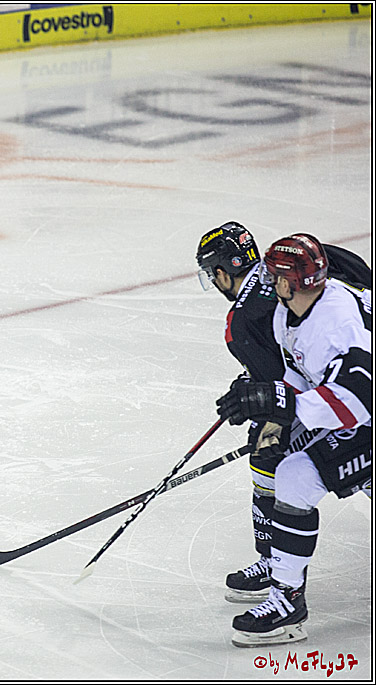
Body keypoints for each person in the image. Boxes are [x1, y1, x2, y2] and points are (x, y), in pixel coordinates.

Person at [216, 233, 372, 647]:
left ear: (286, 283)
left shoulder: (335, 324)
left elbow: (358, 399)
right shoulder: (293, 310)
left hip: (364, 411)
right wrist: (265, 397)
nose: (265, 282)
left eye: (272, 276)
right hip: (355, 411)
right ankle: (285, 593)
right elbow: (301, 377)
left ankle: (286, 601)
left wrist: (284, 404)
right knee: (286, 467)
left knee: (297, 477)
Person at [196, 222, 286, 603]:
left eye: (211, 274)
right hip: (358, 375)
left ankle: (275, 563)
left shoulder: (242, 320)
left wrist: (255, 401)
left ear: (221, 271)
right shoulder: (284, 270)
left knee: (267, 460)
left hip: (344, 398)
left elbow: (281, 388)